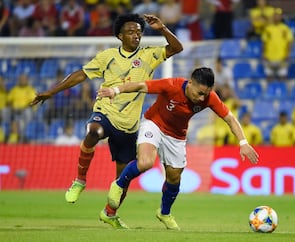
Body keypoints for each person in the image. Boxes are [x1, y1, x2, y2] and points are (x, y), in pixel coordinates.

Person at [30, 13, 183, 204]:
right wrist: (52, 92)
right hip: (106, 111)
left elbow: (177, 48)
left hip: (129, 125)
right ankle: (80, 180)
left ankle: (111, 213)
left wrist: (162, 29)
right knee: (93, 131)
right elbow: (81, 75)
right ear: (120, 36)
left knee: (121, 182)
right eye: (130, 32)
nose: (136, 35)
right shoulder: (107, 56)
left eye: (138, 32)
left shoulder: (148, 55)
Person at [96, 67, 259, 230]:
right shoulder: (171, 85)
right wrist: (115, 90)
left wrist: (243, 143)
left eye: (206, 94)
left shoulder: (209, 98)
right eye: (200, 93)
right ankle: (118, 185)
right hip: (154, 123)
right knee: (145, 162)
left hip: (176, 136)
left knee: (174, 177)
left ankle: (164, 213)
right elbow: (139, 86)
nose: (202, 98)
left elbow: (229, 118)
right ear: (190, 83)